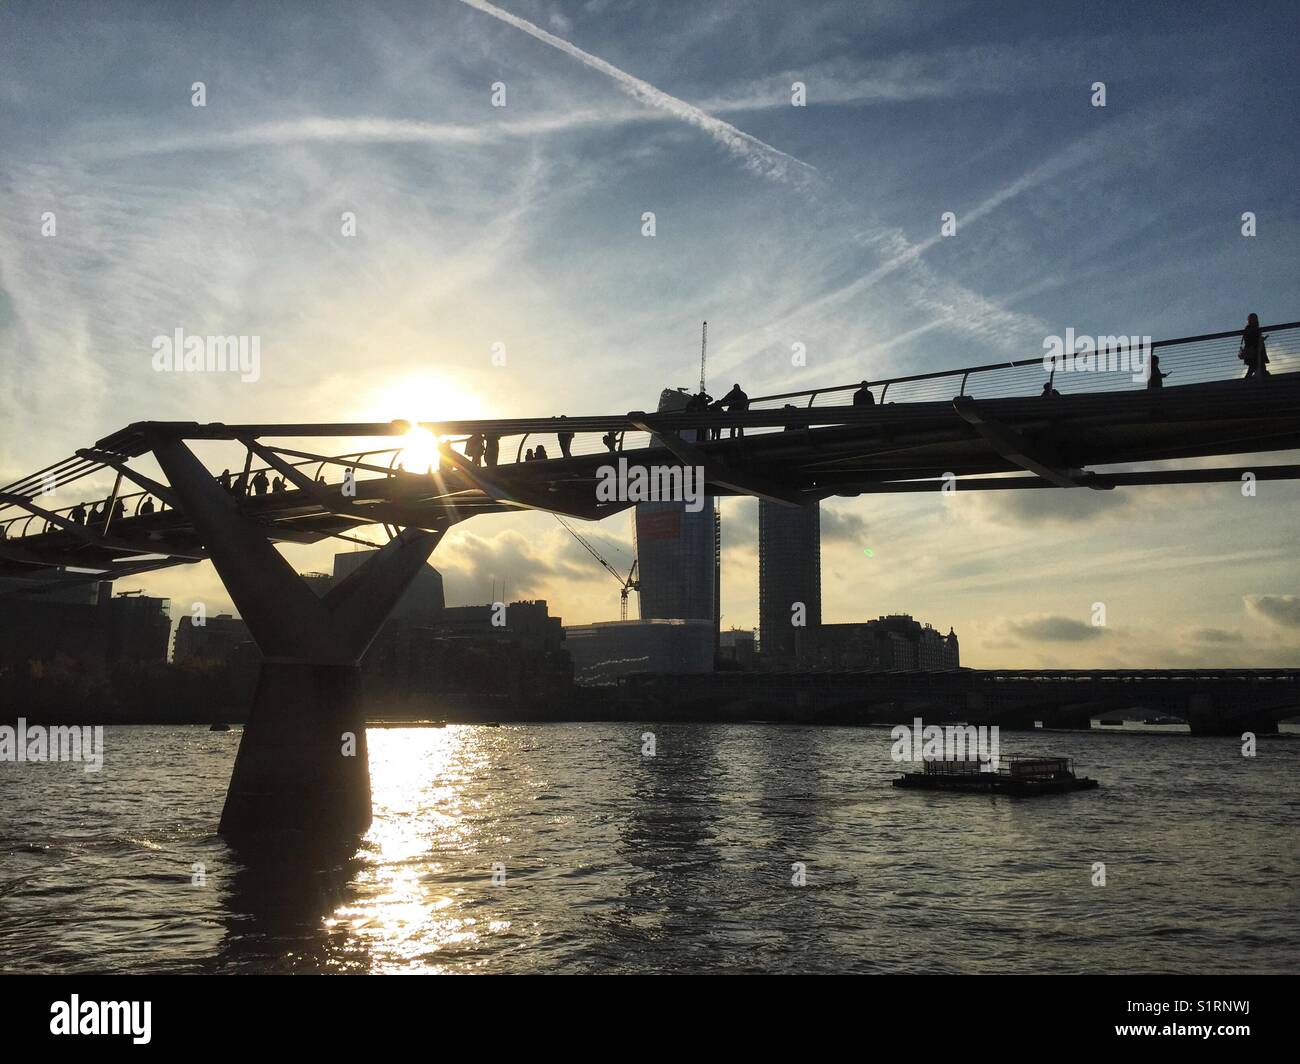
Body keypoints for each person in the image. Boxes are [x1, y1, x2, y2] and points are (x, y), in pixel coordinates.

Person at [1240, 313, 1269, 378]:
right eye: (1253, 318)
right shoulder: (1250, 329)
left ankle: (1247, 381)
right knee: (1257, 367)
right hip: (1255, 351)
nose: (1255, 320)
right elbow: (1251, 340)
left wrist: (1261, 339)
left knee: (1254, 367)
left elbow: (1251, 340)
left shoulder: (1251, 328)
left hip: (1255, 351)